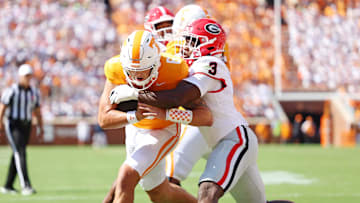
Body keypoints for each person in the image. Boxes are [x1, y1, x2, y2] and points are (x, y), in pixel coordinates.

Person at [110, 19, 267, 203]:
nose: (184, 46)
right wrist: (167, 114)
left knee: (207, 192)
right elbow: (196, 115)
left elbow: (178, 97)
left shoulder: (209, 63)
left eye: (191, 41)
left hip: (235, 139)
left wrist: (135, 93)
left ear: (208, 45)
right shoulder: (191, 67)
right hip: (221, 141)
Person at [98, 30, 212, 203]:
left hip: (163, 130)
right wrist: (133, 116)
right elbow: (104, 119)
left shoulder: (175, 70)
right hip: (135, 129)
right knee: (159, 192)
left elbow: (205, 116)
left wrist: (167, 113)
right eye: (131, 71)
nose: (136, 78)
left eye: (143, 71)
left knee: (126, 176)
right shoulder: (115, 68)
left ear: (157, 64)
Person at [0, 64, 43, 195]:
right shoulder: (12, 90)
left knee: (17, 154)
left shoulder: (34, 92)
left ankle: (8, 185)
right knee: (21, 153)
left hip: (27, 124)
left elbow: (37, 111)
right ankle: (26, 185)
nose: (28, 79)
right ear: (20, 76)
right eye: (26, 76)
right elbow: (3, 107)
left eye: (30, 76)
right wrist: (0, 122)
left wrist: (41, 126)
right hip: (13, 124)